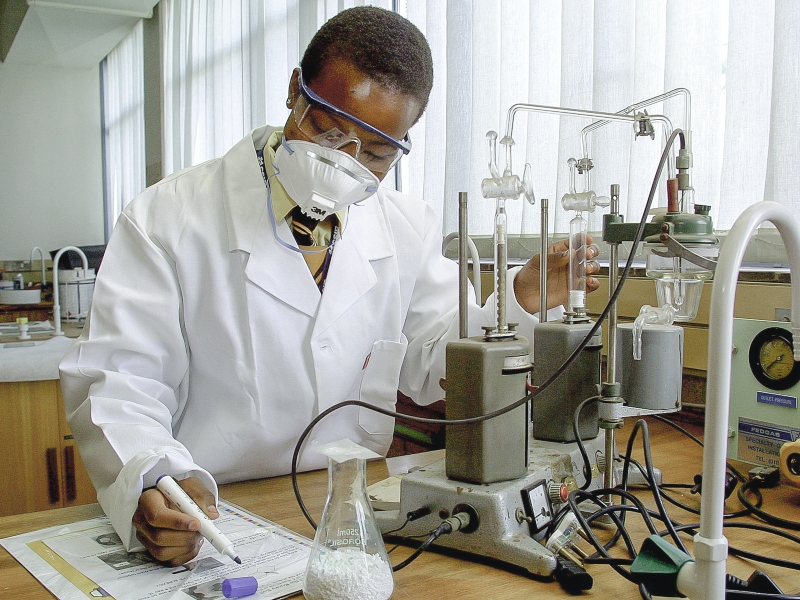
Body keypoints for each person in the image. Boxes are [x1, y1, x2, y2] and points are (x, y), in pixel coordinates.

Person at [60, 6, 600, 567]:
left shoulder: (406, 226)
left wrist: (519, 300)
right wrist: (157, 478)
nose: (344, 162)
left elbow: (435, 364)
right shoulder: (167, 217)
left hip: (358, 508)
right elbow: (121, 381)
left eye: (377, 153)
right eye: (327, 129)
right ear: (296, 89)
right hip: (215, 508)